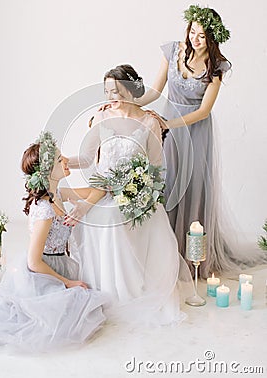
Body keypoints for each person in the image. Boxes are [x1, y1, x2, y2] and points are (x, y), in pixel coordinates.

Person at [134, 4, 259, 277]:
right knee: (167, 183)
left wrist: (169, 123)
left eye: (202, 35)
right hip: (170, 130)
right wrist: (131, 101)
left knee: (194, 186)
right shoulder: (173, 51)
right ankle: (164, 254)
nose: (195, 38)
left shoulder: (216, 66)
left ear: (212, 38)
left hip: (196, 130)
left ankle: (192, 257)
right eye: (192, 32)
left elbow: (204, 110)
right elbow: (155, 91)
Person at [67, 65, 194, 327]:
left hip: (136, 195)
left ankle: (131, 291)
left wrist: (141, 194)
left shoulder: (149, 121)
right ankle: (109, 291)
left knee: (116, 218)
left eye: (117, 90)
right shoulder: (101, 117)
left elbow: (158, 167)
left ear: (131, 89)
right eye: (107, 91)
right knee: (105, 217)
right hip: (104, 192)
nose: (112, 96)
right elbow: (89, 157)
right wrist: (65, 161)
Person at [0, 132, 108, 352]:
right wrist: (67, 282)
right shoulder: (44, 210)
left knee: (84, 311)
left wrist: (83, 206)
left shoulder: (58, 193)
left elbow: (99, 189)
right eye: (60, 159)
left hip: (59, 264)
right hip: (42, 274)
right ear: (47, 171)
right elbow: (34, 262)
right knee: (62, 320)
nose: (66, 161)